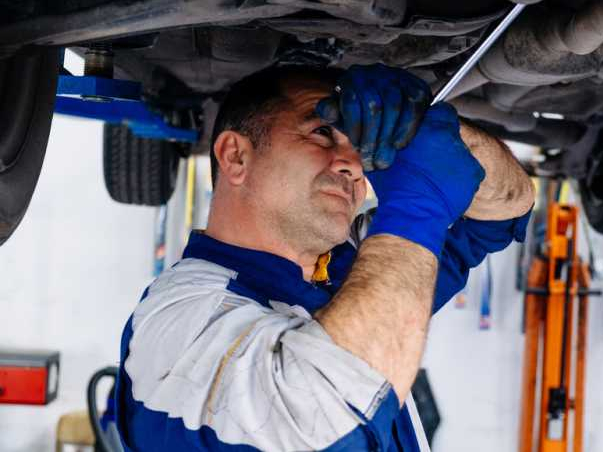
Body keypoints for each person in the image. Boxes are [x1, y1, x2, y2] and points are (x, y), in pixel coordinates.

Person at [114, 64, 535, 451]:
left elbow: (505, 208)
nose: (354, 164)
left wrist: (435, 133)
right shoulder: (183, 315)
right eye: (321, 133)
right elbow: (326, 420)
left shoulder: (344, 270)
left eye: (362, 147)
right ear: (235, 156)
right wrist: (416, 207)